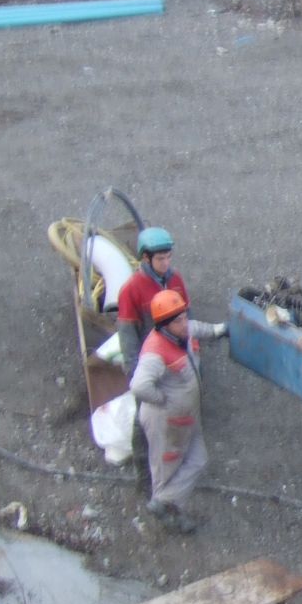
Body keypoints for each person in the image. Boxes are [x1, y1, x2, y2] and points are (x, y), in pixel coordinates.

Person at [129, 288, 220, 534]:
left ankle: (165, 503)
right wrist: (163, 400)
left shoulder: (181, 332)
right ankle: (168, 512)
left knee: (198, 460)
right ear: (165, 325)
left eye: (183, 316)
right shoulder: (155, 351)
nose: (185, 323)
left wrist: (220, 330)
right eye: (178, 320)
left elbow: (196, 328)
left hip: (187, 417)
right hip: (166, 422)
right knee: (166, 470)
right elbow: (138, 386)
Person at [115, 226, 187, 376]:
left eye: (169, 257)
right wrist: (135, 376)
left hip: (176, 354)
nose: (166, 263)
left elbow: (188, 317)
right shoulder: (131, 290)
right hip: (152, 357)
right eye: (160, 259)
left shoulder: (176, 279)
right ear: (146, 258)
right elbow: (128, 339)